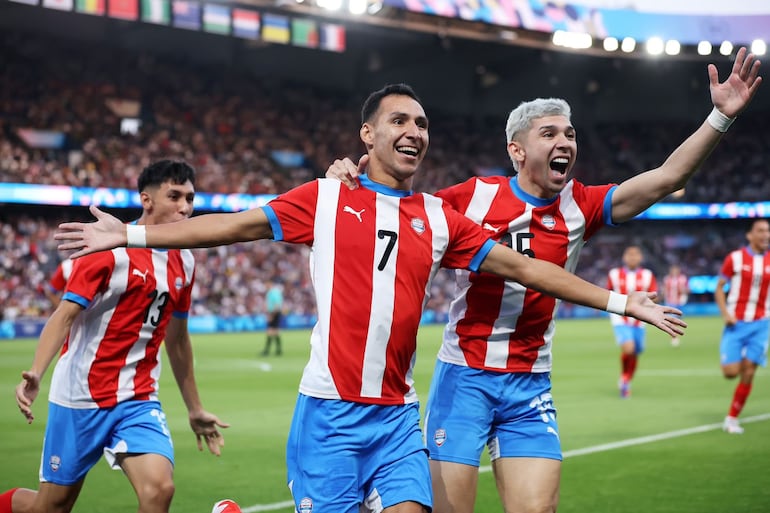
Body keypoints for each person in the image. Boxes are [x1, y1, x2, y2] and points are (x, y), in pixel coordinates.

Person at [54, 84, 684, 513]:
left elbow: (531, 270)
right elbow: (230, 226)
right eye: (400, 121)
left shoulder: (440, 218)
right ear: (368, 134)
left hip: (397, 418)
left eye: (423, 124)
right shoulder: (325, 199)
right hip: (328, 415)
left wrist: (624, 303)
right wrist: (133, 233)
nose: (415, 131)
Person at [325, 48, 761, 513]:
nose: (564, 142)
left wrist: (719, 117)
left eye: (570, 134)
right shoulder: (473, 197)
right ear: (517, 150)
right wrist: (350, 176)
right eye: (549, 133)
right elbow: (399, 212)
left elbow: (667, 177)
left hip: (530, 385)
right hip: (465, 376)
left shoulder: (581, 205)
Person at [0, 160, 229, 513]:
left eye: (190, 198)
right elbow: (64, 315)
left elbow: (178, 339)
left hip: (137, 399)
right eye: (175, 196)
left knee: (159, 490)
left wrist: (194, 407)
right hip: (79, 397)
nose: (185, 206)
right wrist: (36, 372)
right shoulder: (107, 250)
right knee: (49, 508)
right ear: (146, 200)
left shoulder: (185, 261)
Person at [714, 218, 770, 435]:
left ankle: (732, 418)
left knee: (749, 371)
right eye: (761, 231)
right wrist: (725, 313)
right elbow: (719, 288)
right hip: (736, 323)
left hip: (762, 323)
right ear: (750, 235)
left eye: (767, 231)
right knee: (731, 372)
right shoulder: (735, 259)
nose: (765, 235)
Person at [607, 245, 658, 398]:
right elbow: (607, 292)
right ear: (624, 257)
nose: (632, 257)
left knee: (636, 351)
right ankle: (624, 379)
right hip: (620, 318)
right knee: (629, 348)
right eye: (629, 254)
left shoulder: (648, 275)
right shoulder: (614, 274)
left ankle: (627, 378)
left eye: (636, 254)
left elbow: (654, 295)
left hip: (640, 319)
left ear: (641, 258)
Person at [663, 263, 689, 347]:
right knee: (672, 321)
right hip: (670, 302)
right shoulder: (667, 279)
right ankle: (674, 338)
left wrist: (683, 291)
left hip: (680, 302)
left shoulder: (682, 279)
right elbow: (664, 290)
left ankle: (674, 335)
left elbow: (687, 289)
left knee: (677, 321)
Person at [260, 279, 284, 356]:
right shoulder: (275, 292)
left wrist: (271, 315)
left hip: (274, 313)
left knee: (270, 331)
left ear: (270, 283)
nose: (265, 286)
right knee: (275, 331)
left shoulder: (273, 292)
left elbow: (277, 305)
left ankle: (267, 351)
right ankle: (278, 350)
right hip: (275, 313)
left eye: (266, 284)